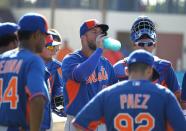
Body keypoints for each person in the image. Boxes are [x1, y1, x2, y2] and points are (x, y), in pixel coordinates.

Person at [72, 49, 186, 131]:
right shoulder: (164, 95)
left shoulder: (108, 94)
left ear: (126, 71)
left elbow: (80, 124)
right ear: (150, 71)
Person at [62, 19, 118, 131]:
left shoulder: (105, 63)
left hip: (101, 123)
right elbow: (81, 75)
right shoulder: (71, 59)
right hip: (78, 122)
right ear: (83, 37)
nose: (99, 36)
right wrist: (99, 51)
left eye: (101, 32)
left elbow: (115, 91)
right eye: (94, 32)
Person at [0, 13, 51, 131]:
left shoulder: (2, 58)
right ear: (37, 34)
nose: (45, 40)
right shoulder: (33, 60)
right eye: (44, 35)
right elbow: (37, 98)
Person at [114, 16, 181, 101]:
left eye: (149, 44)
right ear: (134, 44)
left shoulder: (165, 67)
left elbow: (178, 98)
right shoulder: (118, 68)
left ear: (154, 45)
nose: (145, 48)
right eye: (141, 44)